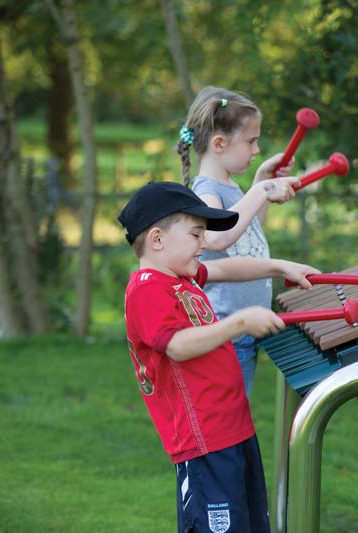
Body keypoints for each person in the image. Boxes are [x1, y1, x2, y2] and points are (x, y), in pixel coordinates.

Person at [118, 181, 318, 533]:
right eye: (196, 234)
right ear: (157, 239)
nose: (204, 244)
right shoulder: (147, 289)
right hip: (203, 443)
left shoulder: (182, 277)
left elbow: (228, 269)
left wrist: (280, 267)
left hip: (234, 429)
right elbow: (177, 345)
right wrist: (240, 322)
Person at [177, 86, 299, 398]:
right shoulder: (206, 191)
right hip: (226, 330)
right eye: (251, 141)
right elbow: (218, 236)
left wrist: (259, 181)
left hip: (245, 327)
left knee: (237, 412)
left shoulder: (229, 185)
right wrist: (261, 192)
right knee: (227, 417)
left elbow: (246, 231)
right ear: (219, 143)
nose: (256, 148)